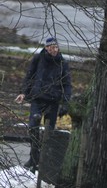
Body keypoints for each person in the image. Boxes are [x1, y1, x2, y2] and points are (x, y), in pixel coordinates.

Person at [15, 37, 73, 173]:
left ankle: (44, 160)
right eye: (50, 47)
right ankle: (33, 157)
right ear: (46, 48)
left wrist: (65, 102)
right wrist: (23, 93)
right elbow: (29, 76)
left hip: (53, 101)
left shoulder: (63, 63)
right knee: (33, 126)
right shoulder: (38, 59)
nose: (53, 49)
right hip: (37, 98)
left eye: (55, 47)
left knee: (49, 131)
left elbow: (67, 84)